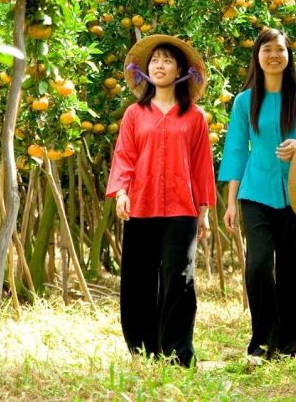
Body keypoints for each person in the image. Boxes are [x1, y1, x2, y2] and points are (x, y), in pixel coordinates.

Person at [219, 27, 296, 361]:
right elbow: (237, 149)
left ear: (288, 55)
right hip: (256, 192)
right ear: (257, 56)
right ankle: (262, 340)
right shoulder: (244, 101)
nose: (274, 56)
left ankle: (291, 344)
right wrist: (231, 200)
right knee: (259, 265)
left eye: (280, 49)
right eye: (267, 50)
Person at [106, 34, 215, 367]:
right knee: (139, 278)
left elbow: (201, 163)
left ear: (180, 70)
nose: (160, 65)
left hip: (182, 208)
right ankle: (143, 349)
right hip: (141, 205)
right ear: (146, 70)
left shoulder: (194, 116)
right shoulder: (134, 114)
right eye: (154, 60)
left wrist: (205, 211)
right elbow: (124, 155)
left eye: (167, 60)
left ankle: (178, 353)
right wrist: (121, 191)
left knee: (179, 278)